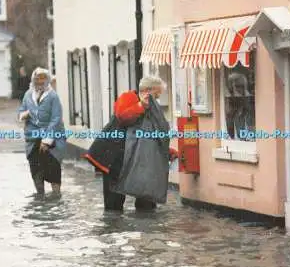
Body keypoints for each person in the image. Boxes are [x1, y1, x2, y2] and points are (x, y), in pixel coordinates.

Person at [84, 76, 178, 212]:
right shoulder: (128, 97)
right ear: (148, 91)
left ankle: (145, 226)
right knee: (114, 202)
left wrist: (166, 152)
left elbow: (148, 135)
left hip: (134, 157)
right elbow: (122, 117)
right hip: (114, 155)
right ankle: (114, 229)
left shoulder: (151, 108)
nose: (157, 99)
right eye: (156, 95)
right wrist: (141, 105)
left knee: (146, 199)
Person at [18, 67, 66, 198]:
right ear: (33, 79)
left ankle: (56, 197)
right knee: (35, 167)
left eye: (43, 78)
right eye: (37, 78)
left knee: (53, 168)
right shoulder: (28, 94)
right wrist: (24, 114)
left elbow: (56, 119)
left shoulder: (52, 96)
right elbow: (21, 110)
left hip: (52, 137)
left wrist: (46, 141)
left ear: (48, 80)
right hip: (32, 137)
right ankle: (40, 196)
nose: (40, 81)